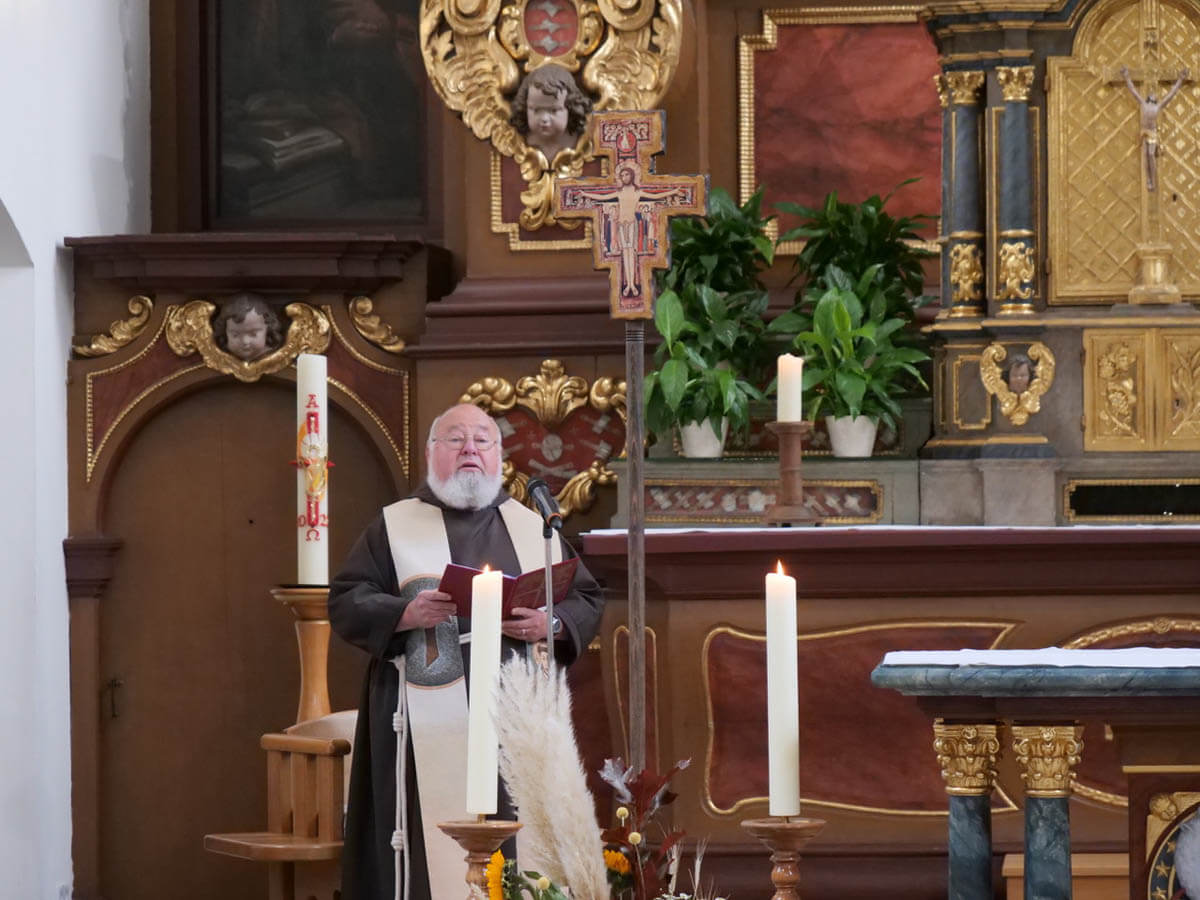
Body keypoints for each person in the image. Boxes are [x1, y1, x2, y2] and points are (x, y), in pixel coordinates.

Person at [329, 403, 605, 900]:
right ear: (433, 453)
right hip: (420, 719)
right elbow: (348, 599)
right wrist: (405, 614)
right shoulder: (394, 526)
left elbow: (586, 598)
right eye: (456, 440)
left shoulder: (533, 527)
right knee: (423, 842)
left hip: (513, 716)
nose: (470, 450)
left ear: (500, 456)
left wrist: (552, 622)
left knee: (522, 831)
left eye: (482, 440)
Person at [1120, 65, 1189, 192]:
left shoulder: (1158, 106)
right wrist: (1126, 76)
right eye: (1150, 94)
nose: (1152, 95)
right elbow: (1133, 91)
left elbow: (1171, 94)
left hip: (1152, 134)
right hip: (1144, 133)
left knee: (1151, 155)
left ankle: (1153, 180)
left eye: (1154, 95)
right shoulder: (1143, 103)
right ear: (1148, 97)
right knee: (1145, 156)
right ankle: (1149, 181)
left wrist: (1180, 79)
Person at [510, 64, 593, 165]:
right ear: (524, 107)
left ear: (571, 108)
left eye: (553, 110)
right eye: (536, 110)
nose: (544, 118)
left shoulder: (579, 141)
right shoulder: (521, 141)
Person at [213, 292, 284, 361]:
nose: (245, 341)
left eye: (253, 334)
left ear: (268, 330)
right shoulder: (220, 358)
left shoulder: (275, 358)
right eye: (235, 335)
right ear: (224, 332)